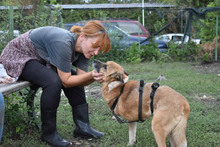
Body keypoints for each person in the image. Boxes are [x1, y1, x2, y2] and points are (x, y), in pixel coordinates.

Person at [0, 20, 111, 147]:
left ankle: (83, 127)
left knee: (72, 76)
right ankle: (49, 133)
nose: (96, 52)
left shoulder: (85, 50)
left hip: (39, 60)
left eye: (99, 49)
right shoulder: (63, 43)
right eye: (95, 46)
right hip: (17, 57)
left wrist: (93, 77)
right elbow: (66, 81)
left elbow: (80, 81)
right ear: (83, 37)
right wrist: (91, 75)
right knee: (53, 81)